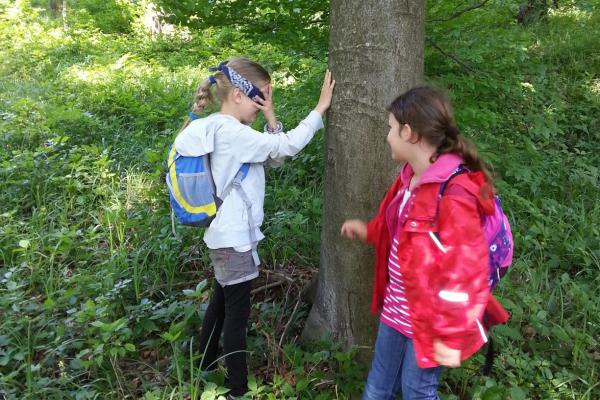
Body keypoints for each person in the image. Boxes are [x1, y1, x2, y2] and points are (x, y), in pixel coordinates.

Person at [173, 57, 335, 397]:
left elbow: (273, 157)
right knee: (236, 316)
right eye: (258, 98)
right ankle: (236, 390)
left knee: (220, 300)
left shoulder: (222, 128)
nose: (260, 106)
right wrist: (319, 110)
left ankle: (204, 365)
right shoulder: (233, 134)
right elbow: (286, 146)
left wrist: (270, 113)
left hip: (224, 237)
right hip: (234, 240)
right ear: (236, 96)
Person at [340, 86, 509, 400]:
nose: (388, 136)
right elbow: (401, 234)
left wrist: (448, 333)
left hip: (432, 323)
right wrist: (368, 231)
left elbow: (465, 274)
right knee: (378, 387)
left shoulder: (454, 194)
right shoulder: (409, 177)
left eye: (391, 128)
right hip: (397, 309)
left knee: (416, 390)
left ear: (409, 133)